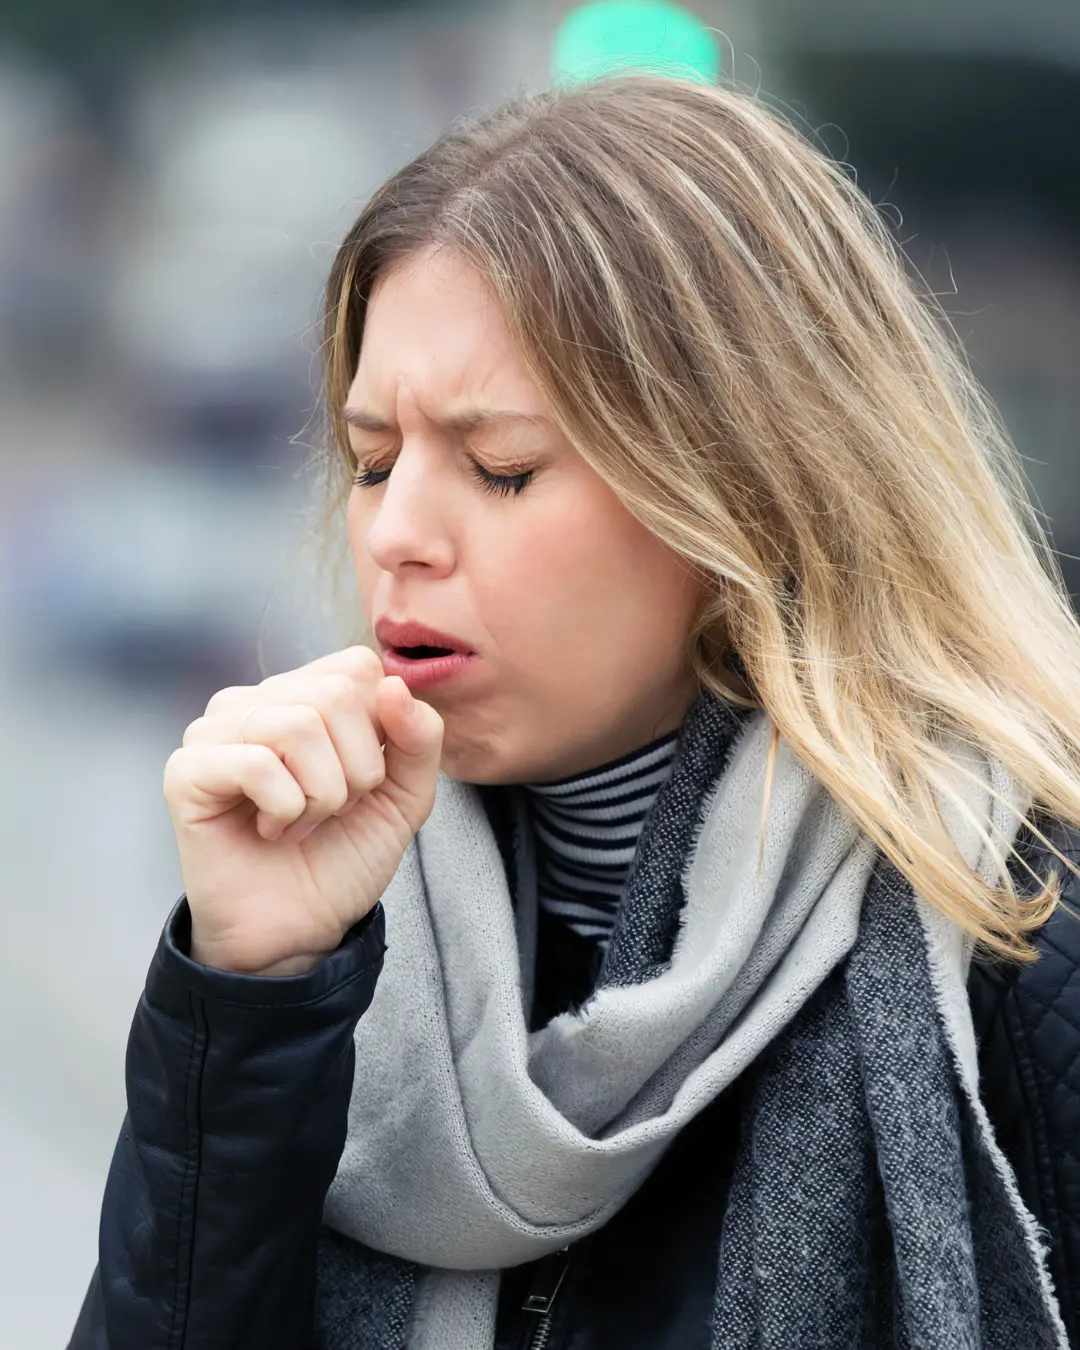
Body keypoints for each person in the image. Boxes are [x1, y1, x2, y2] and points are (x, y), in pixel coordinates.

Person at [70, 74, 1080, 1350]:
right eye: (375, 461)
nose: (399, 537)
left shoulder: (1020, 917)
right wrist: (250, 992)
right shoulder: (337, 925)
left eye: (502, 470)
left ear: (745, 488)